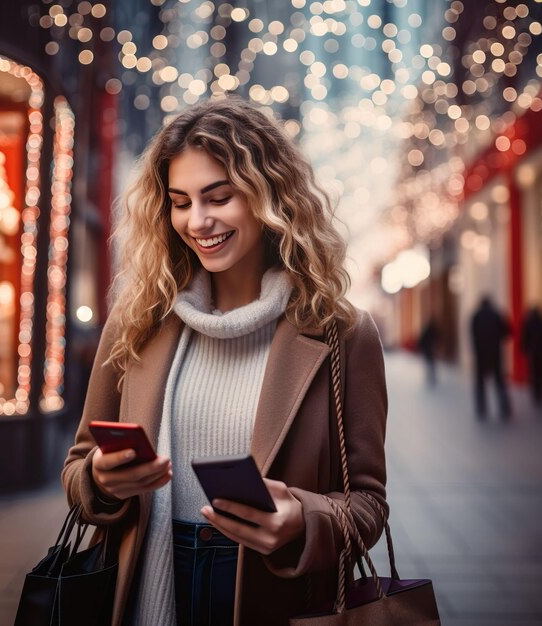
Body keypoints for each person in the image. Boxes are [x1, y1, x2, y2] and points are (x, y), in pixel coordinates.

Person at [62, 97, 388, 626]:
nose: (198, 220)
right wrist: (101, 482)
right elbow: (78, 468)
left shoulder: (342, 332)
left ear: (269, 196)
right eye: (180, 201)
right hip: (149, 583)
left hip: (274, 591)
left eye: (219, 197)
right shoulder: (138, 321)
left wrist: (303, 522)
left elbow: (368, 505)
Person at [470, 296, 512, 419]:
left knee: (480, 383)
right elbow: (506, 331)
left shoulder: (476, 316)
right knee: (499, 382)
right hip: (495, 353)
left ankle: (481, 408)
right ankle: (505, 408)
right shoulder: (496, 314)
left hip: (481, 355)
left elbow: (472, 335)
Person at [520, 306, 542, 407]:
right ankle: (540, 392)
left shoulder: (529, 322)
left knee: (534, 373)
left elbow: (525, 337)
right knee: (541, 373)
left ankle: (536, 393)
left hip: (533, 352)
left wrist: (525, 349)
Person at [417, 317, 439, 386]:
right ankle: (431, 376)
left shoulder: (428, 330)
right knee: (431, 363)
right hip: (428, 349)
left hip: (428, 349)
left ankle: (431, 376)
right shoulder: (430, 331)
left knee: (430, 363)